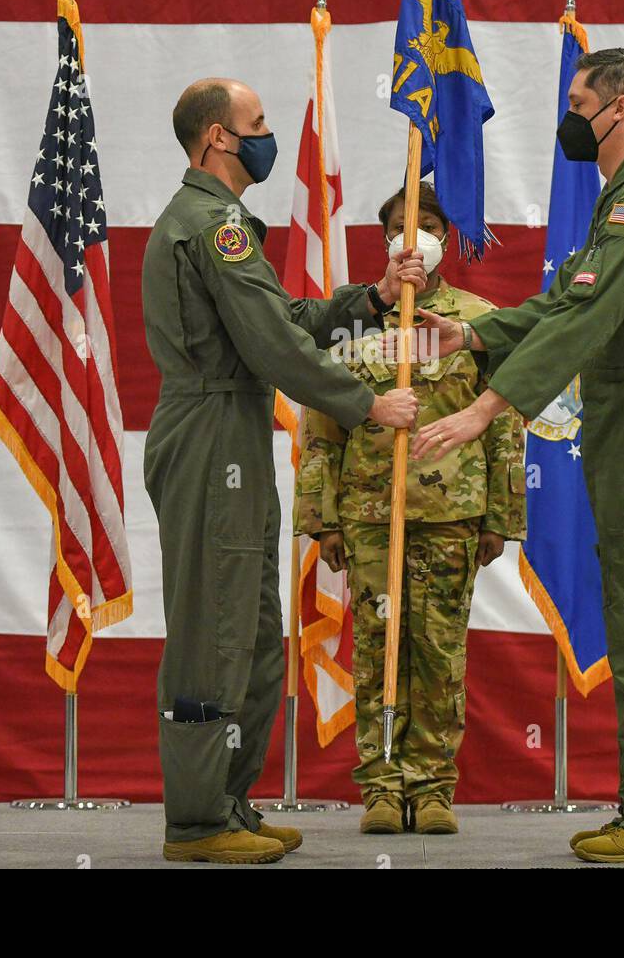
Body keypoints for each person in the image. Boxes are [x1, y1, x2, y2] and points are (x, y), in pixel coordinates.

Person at [409, 49, 624, 862]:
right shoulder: (621, 199)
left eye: (579, 100)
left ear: (619, 109)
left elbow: (587, 327)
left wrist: (489, 405)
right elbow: (565, 302)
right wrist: (475, 332)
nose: (569, 114)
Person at [143, 77, 423, 864]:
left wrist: (368, 297)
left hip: (232, 431)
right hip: (209, 431)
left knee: (256, 632)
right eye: (255, 123)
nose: (265, 135)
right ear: (216, 139)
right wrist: (369, 405)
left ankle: (228, 799)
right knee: (214, 630)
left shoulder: (226, 223)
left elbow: (284, 319)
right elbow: (273, 348)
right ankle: (197, 821)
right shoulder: (209, 225)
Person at [294, 183, 526, 835]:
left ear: (446, 239)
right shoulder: (353, 321)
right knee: (376, 649)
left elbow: (507, 422)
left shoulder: (477, 320)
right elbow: (323, 423)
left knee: (437, 653)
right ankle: (381, 784)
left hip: (451, 514)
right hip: (371, 514)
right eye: (400, 225)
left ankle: (431, 787)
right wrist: (324, 519)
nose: (413, 237)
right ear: (384, 238)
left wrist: (500, 517)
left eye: (426, 226)